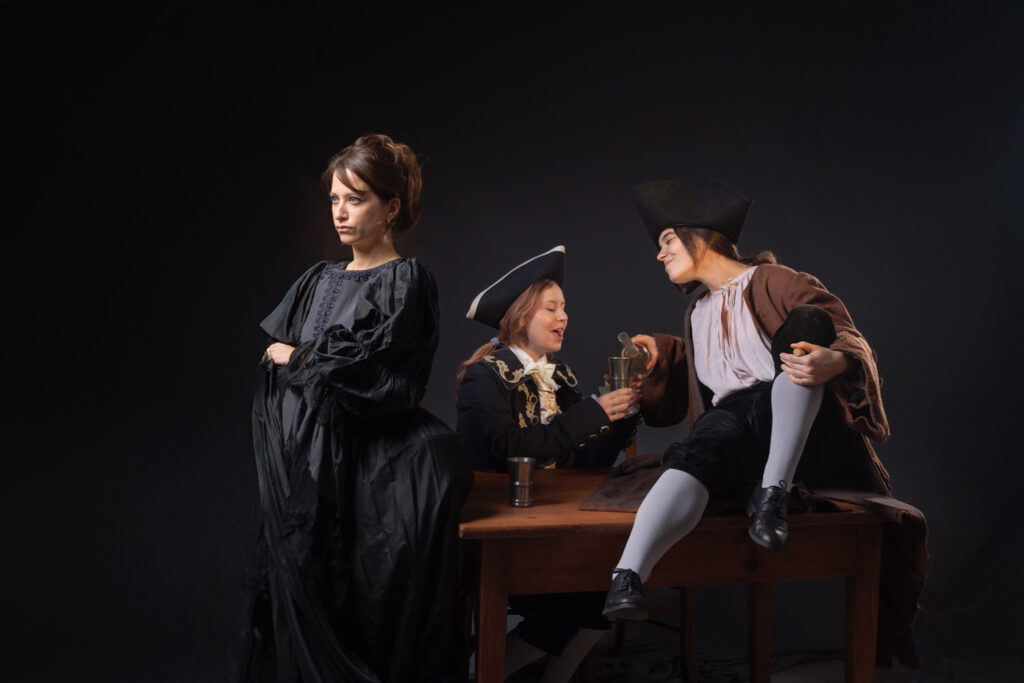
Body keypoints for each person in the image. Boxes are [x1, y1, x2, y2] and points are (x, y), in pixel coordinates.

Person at [238, 134, 473, 682]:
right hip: (304, 455)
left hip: (369, 457)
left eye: (358, 198)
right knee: (297, 576)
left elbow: (382, 380)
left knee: (363, 587)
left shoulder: (406, 281)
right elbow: (290, 371)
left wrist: (298, 358)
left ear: (391, 207)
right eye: (336, 199)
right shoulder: (316, 279)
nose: (342, 213)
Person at [602, 181, 892, 620]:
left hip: (797, 423)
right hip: (735, 428)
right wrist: (662, 353)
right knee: (700, 445)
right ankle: (626, 578)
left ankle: (773, 497)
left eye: (666, 241)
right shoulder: (696, 311)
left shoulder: (774, 280)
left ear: (697, 235)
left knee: (801, 340)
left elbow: (842, 332)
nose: (659, 254)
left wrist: (835, 359)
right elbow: (713, 374)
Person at [455, 246, 638, 682]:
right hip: (500, 523)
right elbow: (508, 445)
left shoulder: (561, 376)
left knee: (602, 589)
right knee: (571, 604)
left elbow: (583, 460)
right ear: (521, 317)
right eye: (551, 307)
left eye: (565, 308)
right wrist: (592, 412)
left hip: (555, 516)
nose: (564, 316)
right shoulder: (485, 375)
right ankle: (474, 674)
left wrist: (618, 418)